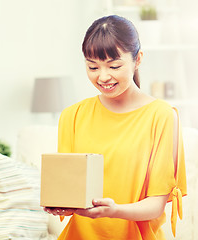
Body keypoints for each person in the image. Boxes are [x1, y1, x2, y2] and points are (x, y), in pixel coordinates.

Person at [45, 15, 187, 240]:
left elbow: (156, 205)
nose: (103, 76)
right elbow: (72, 194)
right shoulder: (72, 116)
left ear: (138, 59)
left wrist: (114, 211)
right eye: (93, 67)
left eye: (114, 66)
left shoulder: (162, 116)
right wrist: (61, 204)